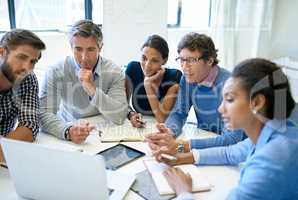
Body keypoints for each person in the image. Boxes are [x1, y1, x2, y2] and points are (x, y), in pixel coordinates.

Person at [162, 58, 298, 199]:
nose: (220, 109)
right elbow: (230, 153)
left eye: (230, 99)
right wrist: (181, 158)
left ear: (257, 102)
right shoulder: (278, 132)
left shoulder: (270, 163)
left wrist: (183, 192)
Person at [146, 32, 246, 154]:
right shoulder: (187, 79)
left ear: (209, 60)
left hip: (237, 151)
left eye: (192, 60)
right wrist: (170, 132)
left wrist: (185, 145)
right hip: (206, 141)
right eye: (182, 60)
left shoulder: (230, 85)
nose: (185, 66)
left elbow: (232, 139)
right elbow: (179, 113)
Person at [40, 20, 128, 144]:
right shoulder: (55, 71)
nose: (84, 57)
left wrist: (92, 89)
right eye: (78, 49)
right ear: (71, 47)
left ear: (100, 47)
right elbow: (43, 114)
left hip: (103, 132)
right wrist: (68, 131)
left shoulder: (114, 71)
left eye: (91, 49)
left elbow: (119, 116)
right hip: (69, 130)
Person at [0, 29, 46, 163]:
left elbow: (30, 126)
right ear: (2, 53)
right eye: (21, 57)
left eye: (33, 61)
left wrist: (5, 150)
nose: (27, 67)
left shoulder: (27, 79)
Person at [125, 35, 182, 127]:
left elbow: (161, 118)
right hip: (140, 126)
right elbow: (123, 103)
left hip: (163, 127)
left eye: (154, 60)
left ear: (164, 61)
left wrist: (147, 85)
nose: (147, 65)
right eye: (144, 58)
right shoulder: (133, 68)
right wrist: (131, 114)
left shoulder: (174, 76)